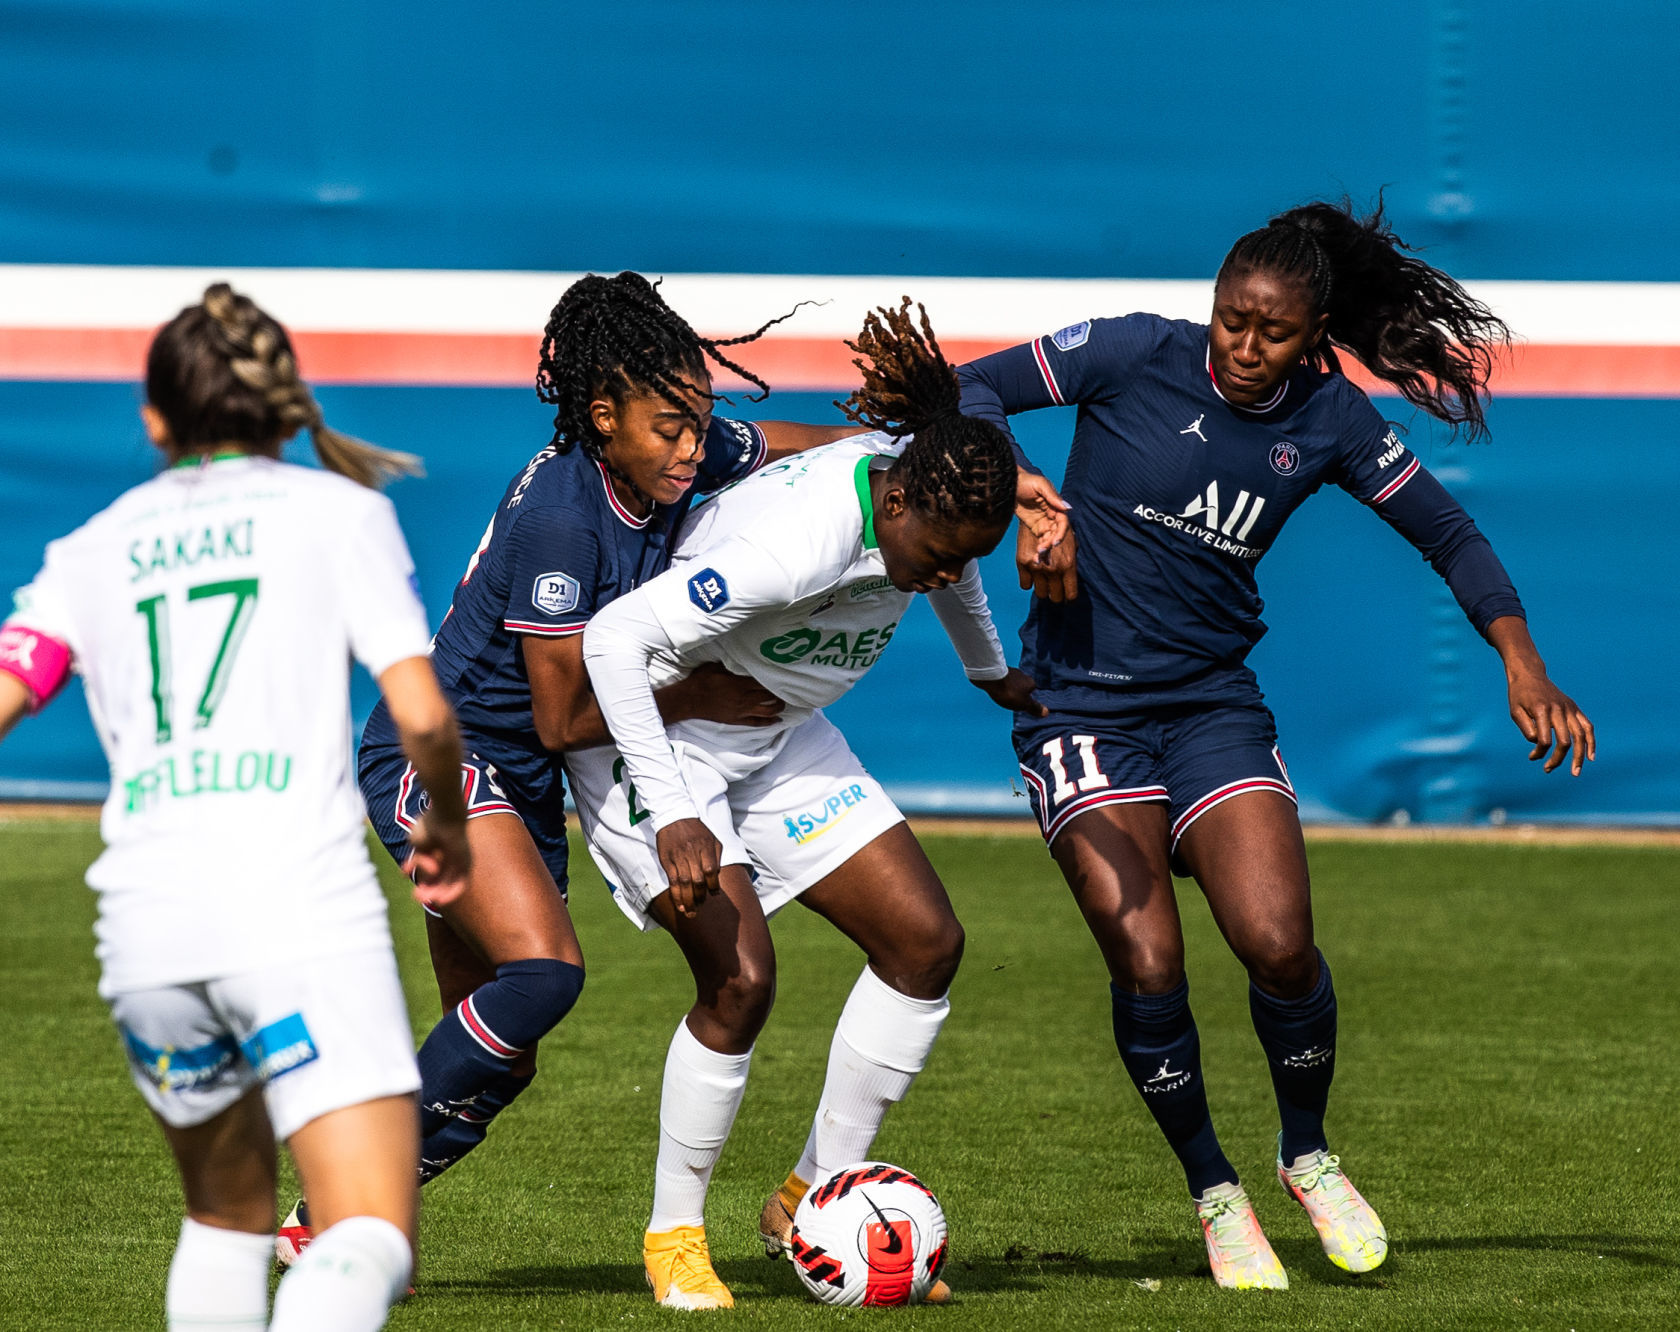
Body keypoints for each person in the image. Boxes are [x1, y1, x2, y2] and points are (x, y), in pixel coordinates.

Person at [316, 272, 1070, 1256]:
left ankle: (344, 1220)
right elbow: (559, 715)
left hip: (533, 783)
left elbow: (803, 450)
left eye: (698, 422)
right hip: (453, 758)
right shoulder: (562, 515)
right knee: (542, 979)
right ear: (601, 416)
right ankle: (346, 1208)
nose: (694, 446)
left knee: (499, 1061)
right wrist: (704, 699)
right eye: (671, 426)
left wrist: (927, 459)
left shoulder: (685, 449)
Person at [955, 199, 1597, 1290]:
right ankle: (1214, 1190)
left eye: (1273, 332)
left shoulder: (1336, 419)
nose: (1244, 348)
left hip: (1209, 706)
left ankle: (1307, 1155)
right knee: (1148, 961)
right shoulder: (1129, 352)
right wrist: (1025, 493)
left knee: (1277, 944)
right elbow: (969, 390)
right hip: (1078, 708)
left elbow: (1446, 531)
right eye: (1230, 321)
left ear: (1314, 333)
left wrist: (1520, 658)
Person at [0, 284, 471, 1332]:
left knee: (224, 1224)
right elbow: (424, 717)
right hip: (295, 914)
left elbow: (8, 689)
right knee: (364, 1237)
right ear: (280, 405)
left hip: (147, 940)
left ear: (156, 418)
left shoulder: (89, 550)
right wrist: (442, 823)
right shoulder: (339, 514)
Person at [579, 300, 1041, 1310]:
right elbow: (612, 642)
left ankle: (810, 1195)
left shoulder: (925, 501)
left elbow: (951, 576)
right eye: (939, 549)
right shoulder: (798, 544)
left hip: (778, 736)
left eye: (969, 553)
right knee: (741, 981)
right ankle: (672, 1239)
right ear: (900, 501)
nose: (949, 571)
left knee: (925, 941)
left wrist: (990, 673)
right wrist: (673, 812)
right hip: (670, 747)